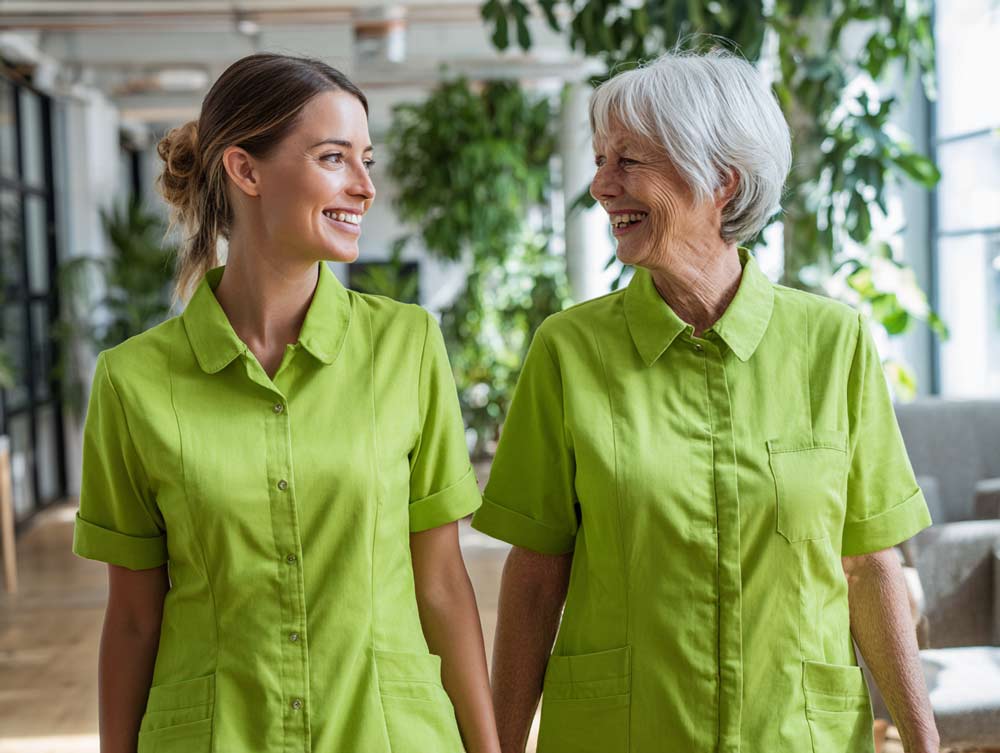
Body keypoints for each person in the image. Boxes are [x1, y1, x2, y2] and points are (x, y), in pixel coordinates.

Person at [472, 50, 939, 753]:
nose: (600, 185)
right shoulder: (567, 351)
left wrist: (923, 740)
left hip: (795, 734)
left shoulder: (831, 342)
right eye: (601, 159)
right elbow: (536, 577)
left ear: (721, 178)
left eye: (629, 161)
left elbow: (869, 565)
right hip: (625, 733)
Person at [73, 53, 500, 753]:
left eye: (367, 159)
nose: (365, 187)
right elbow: (132, 620)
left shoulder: (408, 346)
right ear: (246, 170)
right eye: (335, 158)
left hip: (388, 735)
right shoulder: (133, 381)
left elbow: (443, 584)